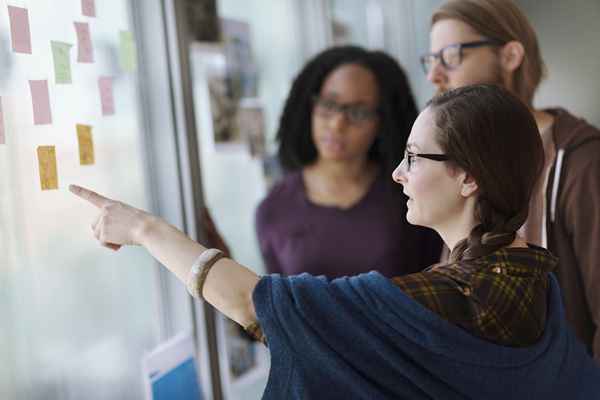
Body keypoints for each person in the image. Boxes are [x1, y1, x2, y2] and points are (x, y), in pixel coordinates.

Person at [71, 84, 600, 399]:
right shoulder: (532, 277)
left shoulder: (457, 299)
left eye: (415, 157)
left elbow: (260, 307)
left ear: (469, 178)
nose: (397, 172)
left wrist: (144, 229)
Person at [421, 0, 600, 360]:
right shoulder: (461, 162)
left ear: (510, 55)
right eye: (431, 60)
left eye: (451, 56)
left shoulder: (580, 162)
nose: (434, 75)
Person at [255, 45, 442, 278]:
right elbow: (274, 307)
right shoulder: (274, 208)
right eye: (328, 105)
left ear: (383, 122)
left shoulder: (410, 196)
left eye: (358, 112)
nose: (337, 124)